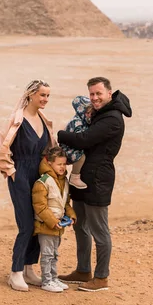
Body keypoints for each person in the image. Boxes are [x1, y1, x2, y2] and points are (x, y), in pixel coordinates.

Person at [57, 77, 132, 292]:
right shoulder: (98, 113)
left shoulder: (112, 119)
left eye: (99, 93)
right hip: (83, 178)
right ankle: (83, 270)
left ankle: (101, 278)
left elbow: (84, 140)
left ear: (109, 93)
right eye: (91, 94)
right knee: (80, 225)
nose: (95, 98)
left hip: (99, 179)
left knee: (100, 230)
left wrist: (60, 135)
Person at [0, 79, 56, 292]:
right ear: (30, 95)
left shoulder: (45, 120)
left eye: (47, 95)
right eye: (42, 95)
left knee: (38, 222)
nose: (45, 99)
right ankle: (15, 272)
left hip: (40, 176)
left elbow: (49, 149)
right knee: (26, 224)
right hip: (20, 175)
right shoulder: (16, 120)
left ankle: (29, 269)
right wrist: (12, 172)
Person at [31, 146, 77, 293]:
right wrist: (52, 221)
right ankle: (46, 281)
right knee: (47, 254)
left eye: (64, 164)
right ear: (50, 163)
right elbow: (40, 206)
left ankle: (53, 277)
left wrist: (71, 215)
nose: (62, 167)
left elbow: (65, 203)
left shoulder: (63, 181)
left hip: (58, 225)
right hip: (47, 225)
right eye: (59, 164)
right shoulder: (43, 182)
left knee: (55, 254)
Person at [60, 95, 93, 189]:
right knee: (82, 157)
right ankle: (74, 177)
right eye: (87, 112)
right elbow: (79, 138)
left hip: (72, 146)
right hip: (68, 148)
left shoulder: (84, 121)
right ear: (80, 111)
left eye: (91, 113)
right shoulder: (77, 122)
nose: (89, 115)